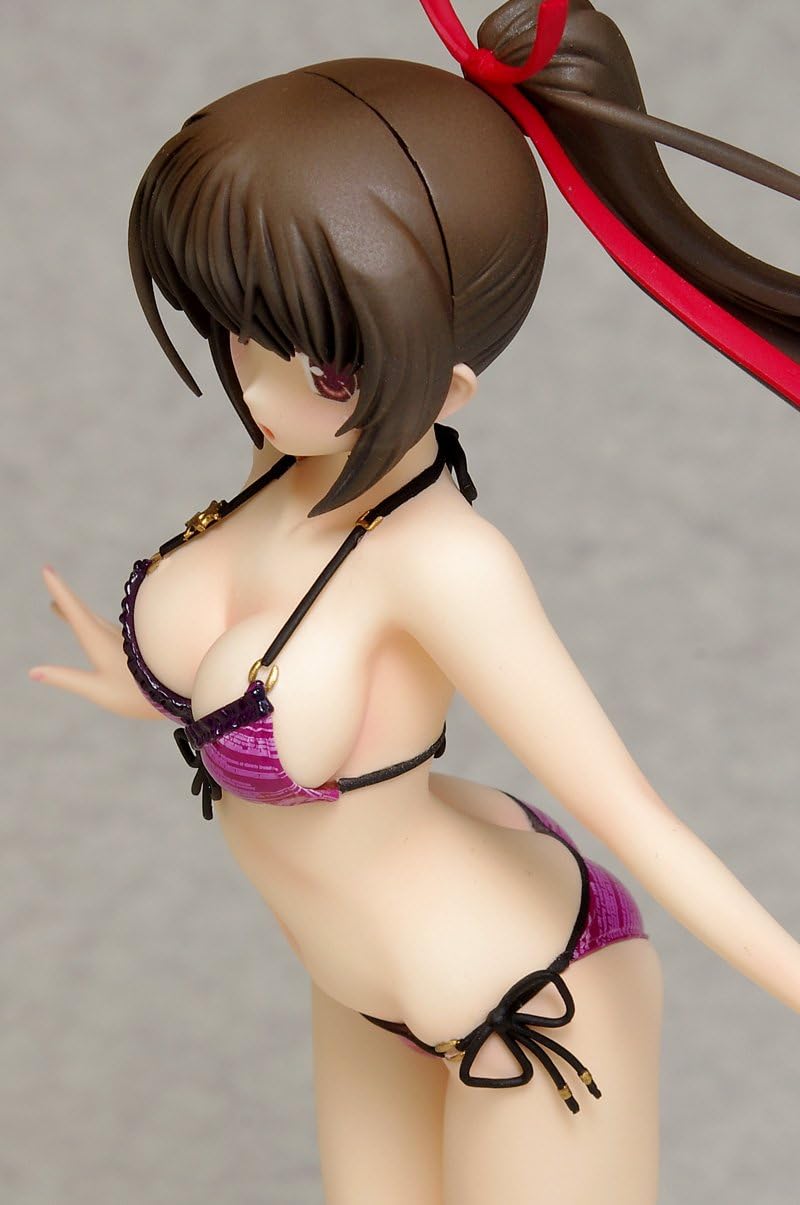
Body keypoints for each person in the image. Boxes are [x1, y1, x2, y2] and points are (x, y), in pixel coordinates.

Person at [31, 1, 800, 1200]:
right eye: (237, 330)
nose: (259, 388)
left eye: (322, 363)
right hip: (357, 987)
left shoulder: (443, 561)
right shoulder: (283, 459)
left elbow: (637, 816)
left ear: (445, 385)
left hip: (526, 1002)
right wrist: (147, 682)